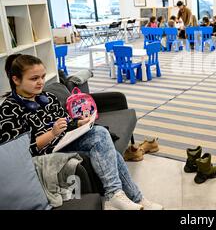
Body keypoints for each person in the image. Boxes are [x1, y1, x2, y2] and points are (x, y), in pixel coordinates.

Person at [0, 54, 163, 210]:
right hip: (44, 154)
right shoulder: (8, 111)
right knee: (102, 139)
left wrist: (79, 123)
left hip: (65, 141)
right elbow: (19, 154)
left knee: (103, 140)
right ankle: (118, 195)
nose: (41, 82)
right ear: (16, 80)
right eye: (34, 78)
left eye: (42, 77)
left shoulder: (47, 97)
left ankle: (132, 197)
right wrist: (52, 134)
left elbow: (66, 121)